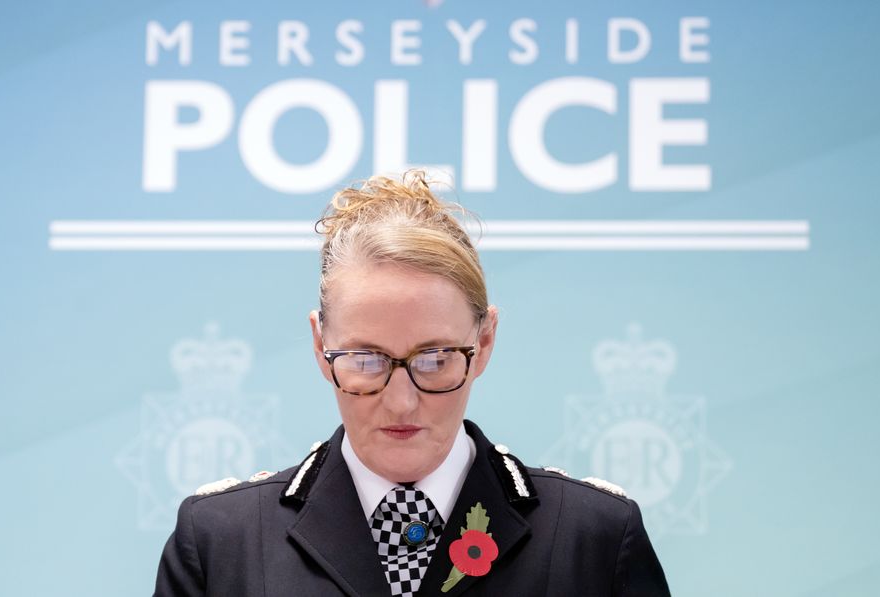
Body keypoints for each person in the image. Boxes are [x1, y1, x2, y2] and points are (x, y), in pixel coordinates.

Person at [154, 172, 670, 596]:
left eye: (436, 359)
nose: (401, 402)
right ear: (319, 345)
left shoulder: (594, 537)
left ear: (484, 341)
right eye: (364, 360)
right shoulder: (222, 541)